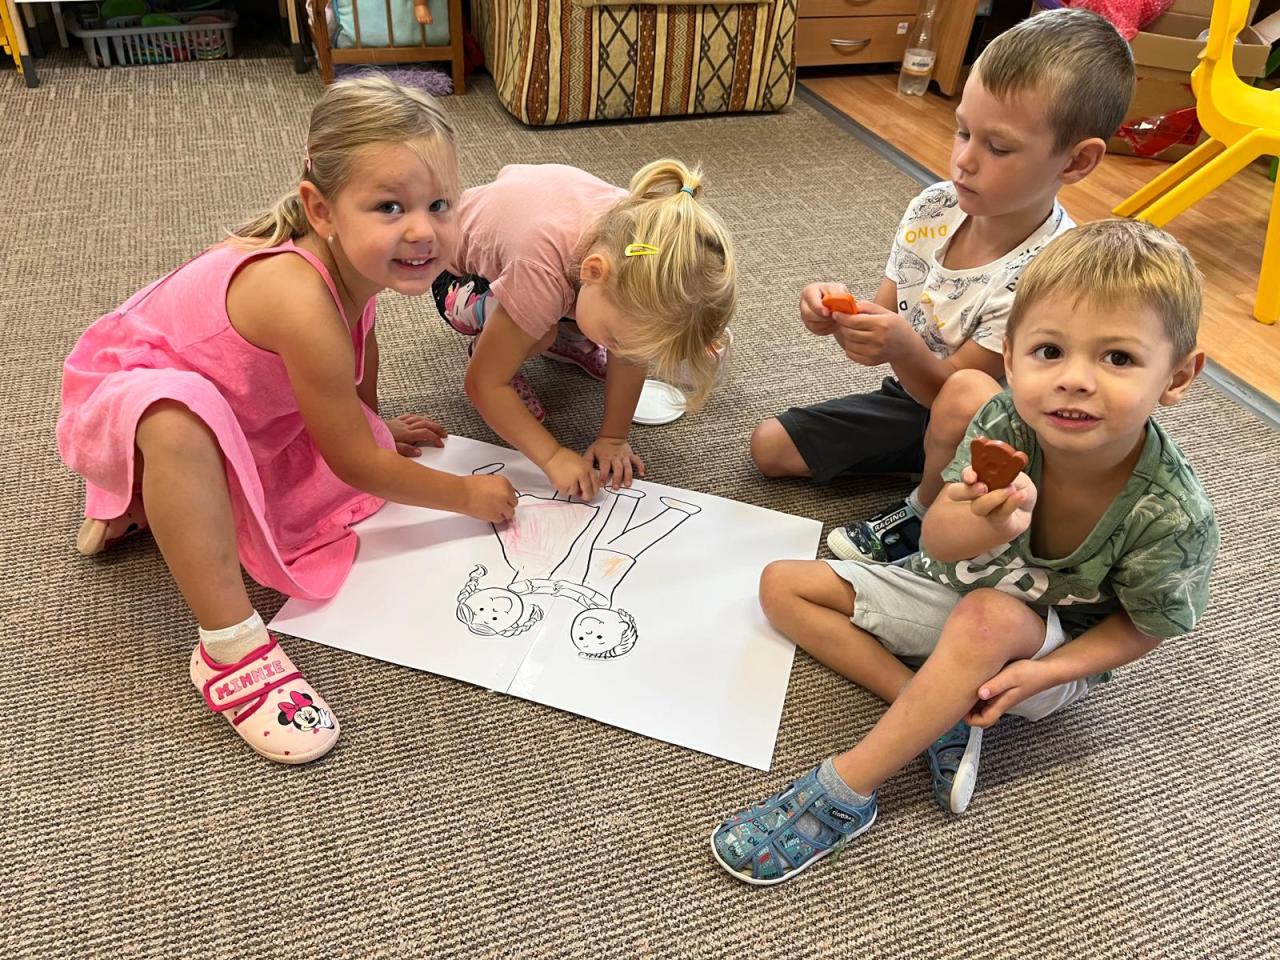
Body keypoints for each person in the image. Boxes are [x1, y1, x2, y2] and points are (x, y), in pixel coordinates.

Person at [711, 220, 1218, 885]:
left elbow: (1146, 626)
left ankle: (847, 789)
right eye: (1048, 351)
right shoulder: (1005, 421)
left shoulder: (1174, 513)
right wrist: (982, 523)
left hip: (1040, 654)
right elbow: (939, 542)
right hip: (955, 587)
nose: (1074, 380)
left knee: (989, 617)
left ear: (1178, 377)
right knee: (781, 585)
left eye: (1117, 358)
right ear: (1010, 354)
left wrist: (1047, 674)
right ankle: (935, 714)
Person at [57, 75, 518, 765]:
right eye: (390, 207)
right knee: (177, 423)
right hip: (126, 403)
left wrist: (370, 419)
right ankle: (227, 644)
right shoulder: (297, 297)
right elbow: (352, 462)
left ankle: (147, 499)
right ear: (321, 209)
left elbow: (359, 339)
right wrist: (466, 495)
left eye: (440, 204)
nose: (423, 230)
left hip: (240, 411)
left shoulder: (352, 264)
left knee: (269, 439)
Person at [750, 9, 1135, 565]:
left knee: (963, 401)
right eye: (963, 131)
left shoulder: (1051, 274)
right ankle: (933, 459)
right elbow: (886, 315)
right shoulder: (934, 207)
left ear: (1077, 161)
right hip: (921, 398)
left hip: (1004, 431)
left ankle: (927, 508)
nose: (964, 161)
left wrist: (899, 345)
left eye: (998, 148)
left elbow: (956, 392)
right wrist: (839, 314)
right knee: (770, 446)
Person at [434, 160, 736, 499]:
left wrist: (613, 438)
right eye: (615, 340)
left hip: (543, 238)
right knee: (540, 331)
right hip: (455, 275)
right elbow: (482, 384)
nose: (623, 352)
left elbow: (630, 356)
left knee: (585, 314)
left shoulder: (640, 240)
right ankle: (491, 343)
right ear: (593, 271)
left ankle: (569, 331)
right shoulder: (540, 276)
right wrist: (552, 456)